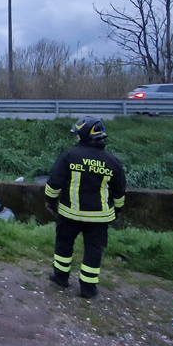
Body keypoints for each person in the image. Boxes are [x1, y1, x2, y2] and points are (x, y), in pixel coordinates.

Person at [45, 116, 126, 299]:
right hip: (99, 219)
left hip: (69, 214)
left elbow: (54, 183)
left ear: (82, 135)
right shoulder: (113, 162)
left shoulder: (69, 156)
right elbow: (119, 193)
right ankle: (88, 288)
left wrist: (50, 202)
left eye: (77, 135)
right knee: (93, 250)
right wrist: (117, 211)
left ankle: (60, 277)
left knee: (64, 245)